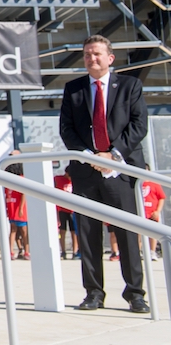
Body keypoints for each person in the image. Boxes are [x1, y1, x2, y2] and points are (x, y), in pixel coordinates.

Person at [58, 34, 148, 313]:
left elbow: (138, 124)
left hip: (120, 171)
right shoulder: (73, 89)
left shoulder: (130, 86)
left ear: (110, 58)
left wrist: (113, 156)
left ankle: (135, 293)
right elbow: (67, 129)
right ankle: (94, 293)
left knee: (126, 234)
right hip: (86, 171)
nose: (91, 58)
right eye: (86, 54)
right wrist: (90, 157)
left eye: (96, 53)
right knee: (88, 234)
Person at [53, 165, 79, 259]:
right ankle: (63, 251)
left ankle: (75, 251)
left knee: (74, 232)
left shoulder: (74, 180)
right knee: (62, 231)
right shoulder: (58, 179)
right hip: (62, 209)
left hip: (72, 210)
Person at [4, 163, 29, 260]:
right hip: (11, 207)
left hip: (19, 208)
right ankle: (10, 251)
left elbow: (23, 194)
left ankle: (26, 251)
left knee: (23, 231)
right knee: (13, 229)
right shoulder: (8, 181)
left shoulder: (20, 179)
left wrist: (21, 208)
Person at [140, 170, 165, 257]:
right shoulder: (137, 184)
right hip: (140, 213)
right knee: (139, 233)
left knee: (152, 234)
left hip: (151, 213)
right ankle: (138, 252)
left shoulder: (155, 184)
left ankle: (152, 252)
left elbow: (161, 198)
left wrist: (157, 211)